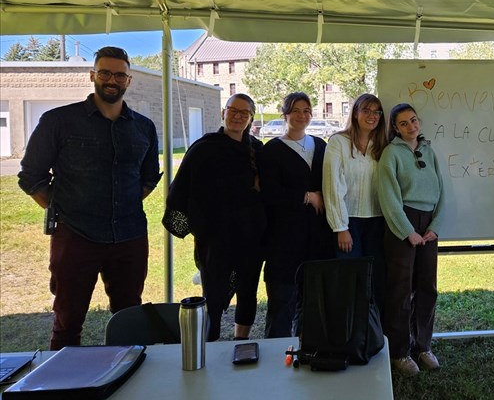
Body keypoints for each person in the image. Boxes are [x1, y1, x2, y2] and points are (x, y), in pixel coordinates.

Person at [18, 46, 161, 350]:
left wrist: (124, 205)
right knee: (68, 321)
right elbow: (32, 177)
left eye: (119, 74)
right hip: (76, 237)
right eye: (105, 73)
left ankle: (127, 383)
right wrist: (64, 212)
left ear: (129, 80)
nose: (112, 79)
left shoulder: (144, 127)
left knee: (129, 318)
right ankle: (64, 390)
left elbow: (149, 177)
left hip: (130, 236)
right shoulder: (58, 121)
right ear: (92, 75)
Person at [165, 93, 266, 341]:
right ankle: (210, 342)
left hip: (250, 234)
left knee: (248, 290)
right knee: (214, 292)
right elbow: (182, 189)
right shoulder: (203, 148)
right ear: (224, 112)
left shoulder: (259, 150)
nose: (238, 116)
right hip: (215, 236)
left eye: (244, 113)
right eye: (233, 110)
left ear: (251, 118)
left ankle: (241, 340)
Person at [376, 103, 446, 377]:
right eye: (403, 123)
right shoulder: (390, 154)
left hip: (429, 225)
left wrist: (436, 226)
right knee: (401, 289)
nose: (411, 126)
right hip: (402, 225)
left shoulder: (429, 151)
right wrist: (408, 231)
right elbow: (389, 198)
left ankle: (423, 346)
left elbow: (442, 191)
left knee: (427, 287)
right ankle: (399, 352)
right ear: (395, 128)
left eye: (413, 120)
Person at [257, 92, 333, 338]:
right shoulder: (273, 150)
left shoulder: (321, 146)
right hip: (284, 238)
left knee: (312, 301)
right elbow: (269, 193)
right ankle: (275, 358)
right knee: (282, 301)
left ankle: (307, 350)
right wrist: (308, 196)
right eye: (296, 110)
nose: (302, 115)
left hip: (318, 235)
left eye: (307, 110)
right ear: (285, 114)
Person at [323, 94, 389, 314]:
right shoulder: (338, 142)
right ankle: (350, 333)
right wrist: (341, 227)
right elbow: (332, 187)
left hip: (378, 222)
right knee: (351, 280)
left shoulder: (382, 145)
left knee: (377, 281)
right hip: (348, 221)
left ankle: (374, 334)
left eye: (376, 112)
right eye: (366, 110)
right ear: (355, 112)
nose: (372, 116)